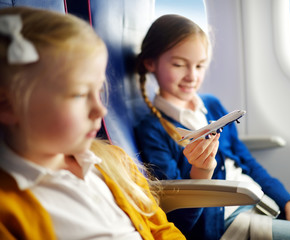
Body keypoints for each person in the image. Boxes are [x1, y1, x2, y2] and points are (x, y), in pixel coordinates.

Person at [134, 14, 290, 240]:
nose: (192, 76)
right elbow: (179, 217)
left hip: (261, 198)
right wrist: (201, 172)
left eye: (200, 65)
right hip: (228, 222)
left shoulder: (211, 106)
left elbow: (248, 163)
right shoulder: (152, 130)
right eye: (179, 64)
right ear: (150, 63)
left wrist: (289, 204)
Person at [0, 7, 185, 240]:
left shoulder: (114, 161)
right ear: (7, 105)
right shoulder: (7, 209)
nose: (101, 109)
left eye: (98, 91)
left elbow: (161, 229)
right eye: (78, 94)